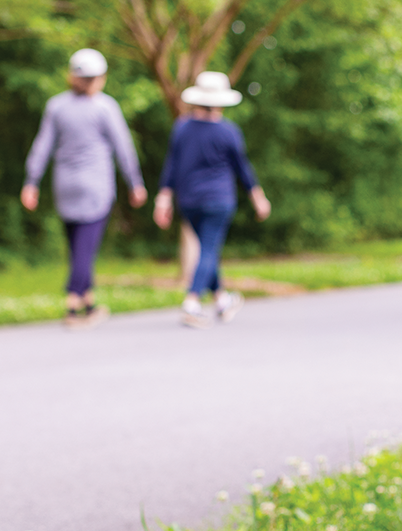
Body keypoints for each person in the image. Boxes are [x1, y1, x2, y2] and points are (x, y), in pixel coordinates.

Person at [21, 48, 147, 328]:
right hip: (95, 187)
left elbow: (42, 146)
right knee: (85, 250)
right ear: (99, 77)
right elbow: (123, 147)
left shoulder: (56, 106)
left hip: (64, 186)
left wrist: (31, 182)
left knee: (77, 246)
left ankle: (89, 304)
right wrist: (135, 182)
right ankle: (72, 305)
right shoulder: (105, 107)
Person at [154, 71, 271, 328]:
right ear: (220, 101)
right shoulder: (228, 131)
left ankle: (221, 300)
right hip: (219, 200)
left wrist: (163, 198)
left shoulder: (182, 128)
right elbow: (244, 169)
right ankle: (192, 302)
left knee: (209, 249)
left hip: (189, 201)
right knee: (208, 250)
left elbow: (171, 166)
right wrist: (258, 198)